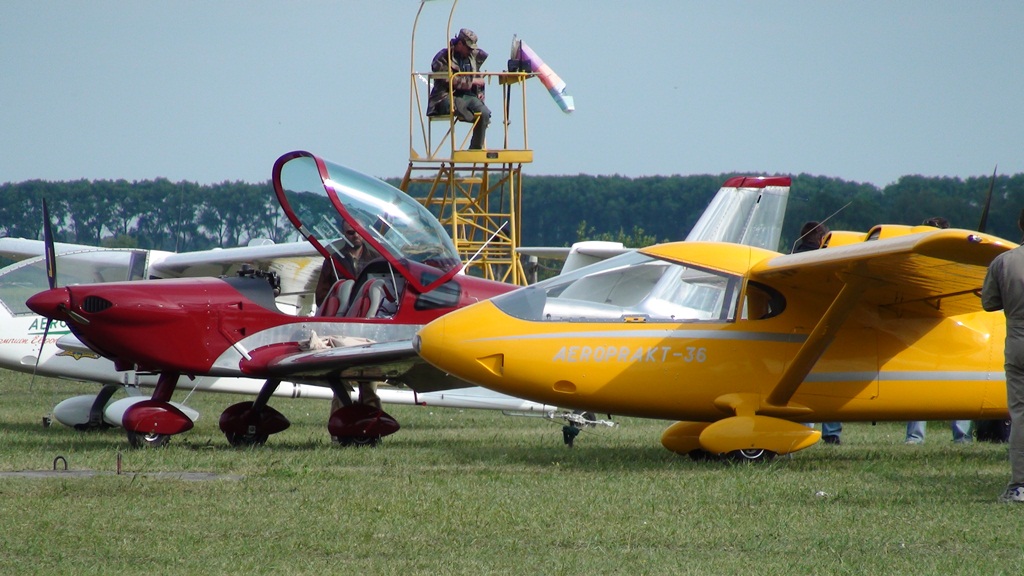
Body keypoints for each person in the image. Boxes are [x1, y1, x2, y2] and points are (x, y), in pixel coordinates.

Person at [905, 216, 974, 444]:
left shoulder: (956, 263)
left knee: (960, 384)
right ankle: (916, 436)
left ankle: (961, 436)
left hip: (953, 328)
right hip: (921, 330)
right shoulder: (914, 262)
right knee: (919, 384)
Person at [981, 208, 1024, 502]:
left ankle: (1019, 484)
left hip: (1018, 341)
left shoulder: (1003, 261)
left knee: (1020, 413)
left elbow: (989, 303)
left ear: (1020, 225)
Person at [792, 221, 842, 444]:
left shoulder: (790, 260)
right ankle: (831, 433)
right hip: (824, 328)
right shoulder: (826, 262)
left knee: (798, 383)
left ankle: (801, 429)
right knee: (829, 381)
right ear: (822, 239)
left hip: (793, 329)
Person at [427, 28, 491, 150]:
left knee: (484, 113)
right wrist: (472, 81)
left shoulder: (472, 57)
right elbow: (448, 80)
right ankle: (468, 115)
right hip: (445, 97)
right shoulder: (443, 57)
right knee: (461, 105)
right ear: (460, 44)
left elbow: (478, 78)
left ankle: (475, 149)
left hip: (468, 96)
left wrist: (479, 92)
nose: (471, 51)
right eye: (468, 48)